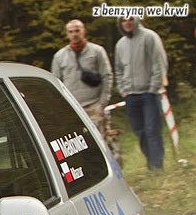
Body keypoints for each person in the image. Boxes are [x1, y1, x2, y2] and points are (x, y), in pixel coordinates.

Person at [115, 16, 168, 170]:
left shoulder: (150, 37)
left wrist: (153, 88)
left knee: (152, 130)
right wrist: (123, 90)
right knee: (140, 131)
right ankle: (151, 160)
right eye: (123, 20)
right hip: (131, 95)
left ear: (136, 20)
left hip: (149, 93)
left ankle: (156, 166)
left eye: (130, 19)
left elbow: (159, 63)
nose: (127, 23)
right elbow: (118, 69)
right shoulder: (120, 44)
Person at [50, 19, 113, 136]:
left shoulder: (97, 51)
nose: (74, 34)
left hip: (94, 106)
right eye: (71, 31)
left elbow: (107, 76)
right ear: (67, 34)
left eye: (77, 31)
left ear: (84, 31)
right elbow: (55, 83)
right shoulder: (59, 56)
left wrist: (103, 102)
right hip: (72, 108)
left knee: (99, 140)